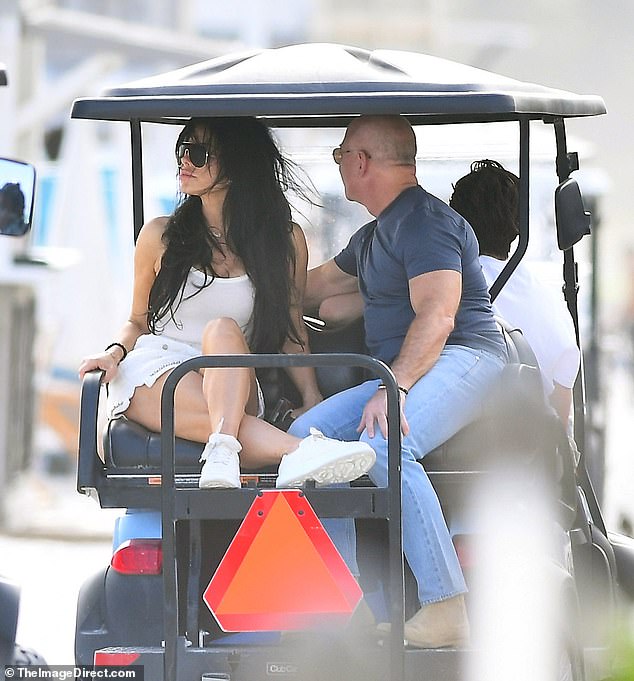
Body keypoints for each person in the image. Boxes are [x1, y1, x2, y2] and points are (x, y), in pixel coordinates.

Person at [289, 115, 508, 648]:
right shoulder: (373, 235)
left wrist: (397, 388)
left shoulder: (425, 222)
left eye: (341, 154)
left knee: (387, 444)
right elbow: (309, 287)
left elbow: (438, 316)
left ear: (361, 162)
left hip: (464, 357)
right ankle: (353, 607)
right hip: (405, 370)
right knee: (306, 442)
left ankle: (445, 606)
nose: (338, 163)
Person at [78, 116, 375, 491]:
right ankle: (288, 450)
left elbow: (290, 328)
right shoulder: (159, 235)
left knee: (222, 330)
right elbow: (138, 320)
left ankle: (230, 445)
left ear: (237, 167)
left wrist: (312, 397)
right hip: (158, 367)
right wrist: (114, 354)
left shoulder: (283, 241)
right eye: (183, 150)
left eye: (199, 154)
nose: (185, 162)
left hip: (233, 374)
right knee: (191, 394)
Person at [449, 160, 580, 427]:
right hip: (532, 452)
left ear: (456, 223)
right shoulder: (548, 297)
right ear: (518, 225)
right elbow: (561, 407)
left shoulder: (445, 288)